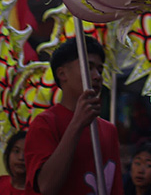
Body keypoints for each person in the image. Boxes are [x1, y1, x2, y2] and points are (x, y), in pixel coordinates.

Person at [26, 36, 123, 195]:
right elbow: (46, 186)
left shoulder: (108, 130)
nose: (97, 76)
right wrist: (77, 124)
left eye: (100, 69)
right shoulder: (44, 124)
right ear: (62, 73)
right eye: (89, 67)